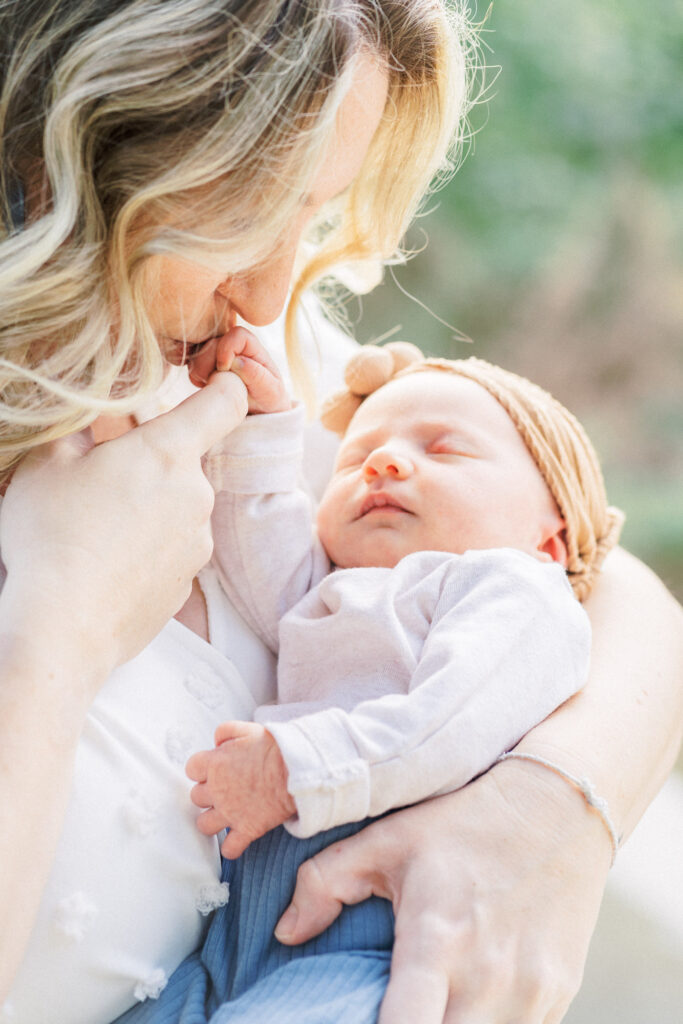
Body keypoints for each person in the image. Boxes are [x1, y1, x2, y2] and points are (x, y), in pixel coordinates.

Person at [0, 2, 681, 1024]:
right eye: (250, 209)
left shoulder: (225, 355)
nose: (275, 290)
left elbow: (606, 580)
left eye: (310, 218)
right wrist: (59, 622)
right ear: (85, 148)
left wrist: (547, 809)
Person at [188, 337, 618, 861]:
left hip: (396, 877)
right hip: (264, 870)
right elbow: (259, 554)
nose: (383, 462)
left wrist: (296, 769)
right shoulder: (333, 590)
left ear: (549, 542)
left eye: (444, 449)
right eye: (354, 459)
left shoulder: (515, 590)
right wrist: (260, 423)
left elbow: (455, 719)